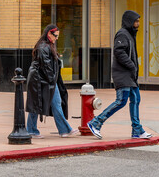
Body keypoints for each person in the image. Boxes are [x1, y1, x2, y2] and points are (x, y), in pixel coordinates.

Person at [87, 10, 152, 139]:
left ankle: (137, 130)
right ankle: (96, 123)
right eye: (136, 21)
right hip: (123, 75)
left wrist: (133, 69)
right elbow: (119, 52)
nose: (138, 23)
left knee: (136, 100)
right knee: (121, 101)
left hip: (130, 76)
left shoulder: (130, 34)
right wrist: (131, 65)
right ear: (129, 21)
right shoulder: (122, 34)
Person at [25, 24, 79, 138]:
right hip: (40, 79)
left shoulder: (48, 45)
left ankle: (62, 130)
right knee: (37, 104)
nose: (57, 38)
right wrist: (52, 81)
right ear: (49, 33)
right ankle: (33, 130)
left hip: (43, 79)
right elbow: (46, 66)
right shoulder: (43, 47)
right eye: (55, 36)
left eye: (58, 36)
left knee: (50, 103)